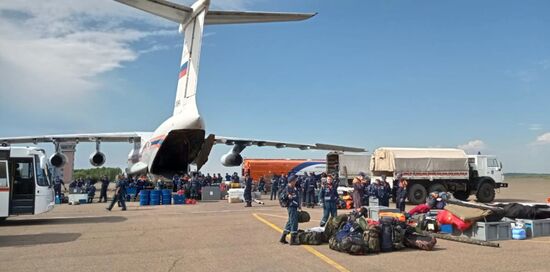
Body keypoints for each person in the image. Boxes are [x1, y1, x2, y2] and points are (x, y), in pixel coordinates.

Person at [279, 175, 301, 245]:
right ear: (291, 181)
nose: (295, 182)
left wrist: (299, 205)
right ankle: (293, 240)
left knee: (290, 222)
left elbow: (296, 197)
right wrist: (287, 196)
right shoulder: (287, 188)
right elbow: (282, 197)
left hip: (294, 206)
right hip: (291, 207)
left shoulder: (293, 188)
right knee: (294, 222)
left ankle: (283, 238)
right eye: (294, 181)